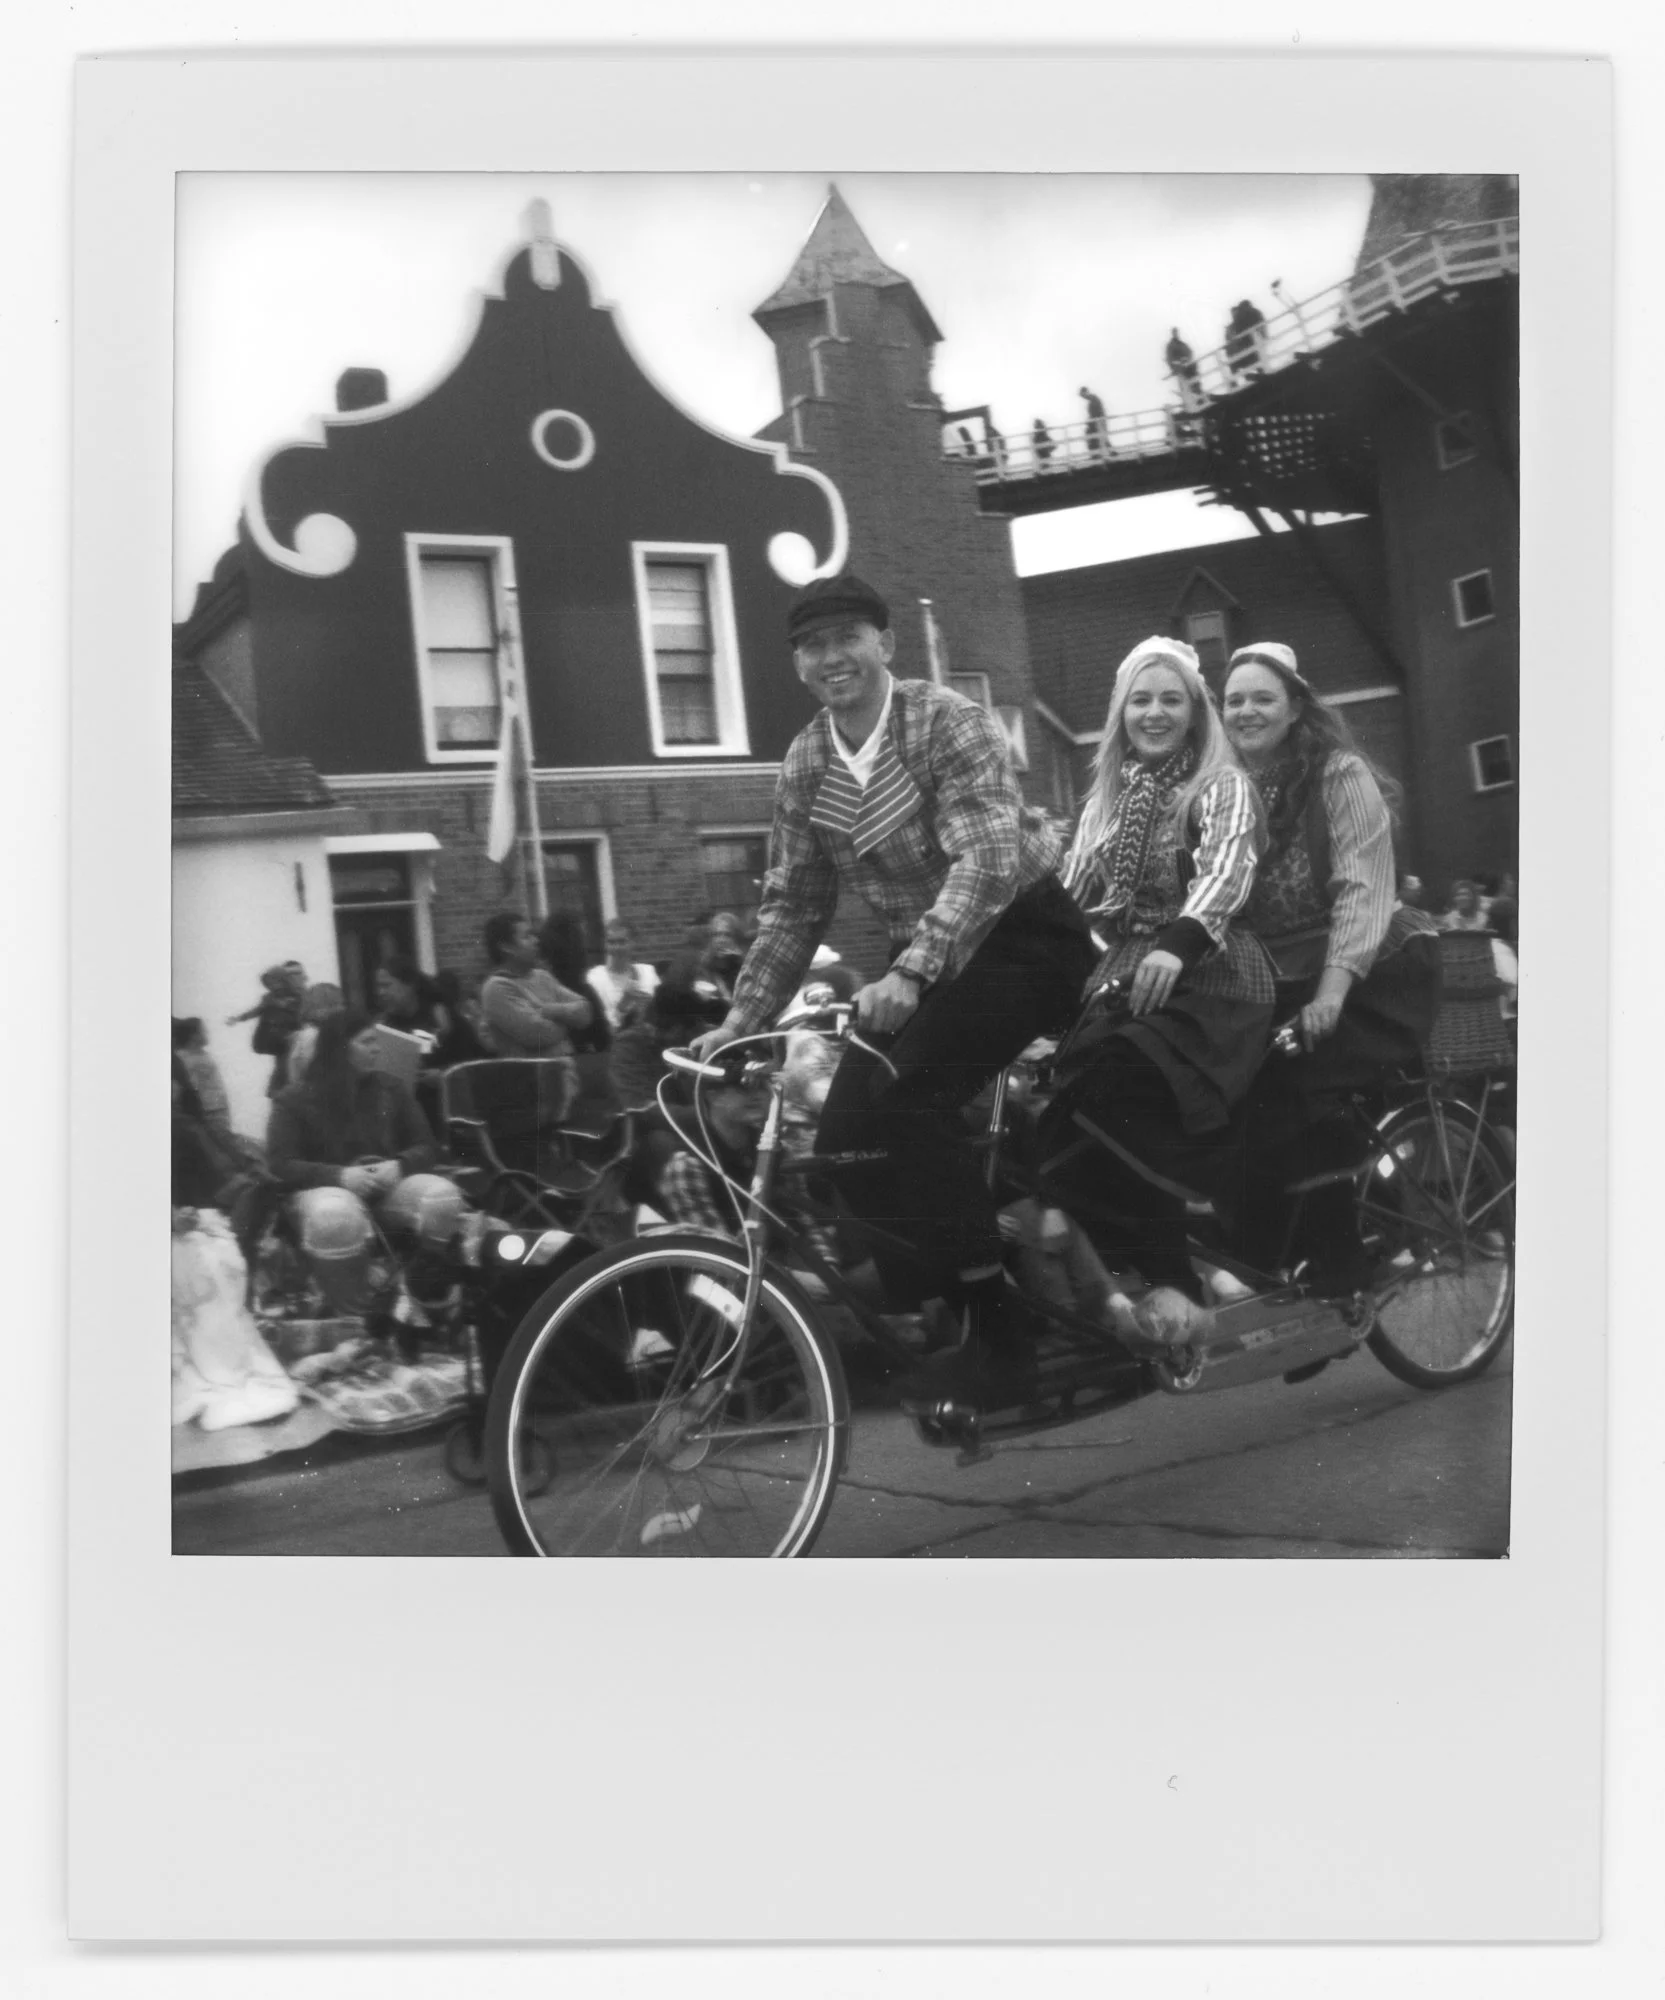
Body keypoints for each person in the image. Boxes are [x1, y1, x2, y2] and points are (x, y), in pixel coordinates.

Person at [691, 570, 1096, 1417]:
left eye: (848, 637)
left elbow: (985, 859)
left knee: (908, 1107)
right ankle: (980, 1268)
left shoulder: (946, 720)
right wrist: (738, 1020)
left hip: (1020, 937)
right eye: (811, 645)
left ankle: (1001, 1340)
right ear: (796, 663)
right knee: (844, 1139)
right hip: (928, 959)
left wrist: (912, 971)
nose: (831, 657)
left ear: (885, 645)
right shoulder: (807, 760)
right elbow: (794, 904)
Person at [1033, 637, 1273, 1310]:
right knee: (1063, 1094)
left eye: (1171, 700)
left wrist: (1176, 944)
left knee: (1121, 1078)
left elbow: (1225, 875)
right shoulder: (1108, 800)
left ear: (1196, 713)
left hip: (1210, 970)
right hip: (1125, 967)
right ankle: (1160, 1268)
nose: (1154, 713)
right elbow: (1068, 893)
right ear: (1121, 714)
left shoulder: (1221, 785)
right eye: (1140, 700)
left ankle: (1209, 1232)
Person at [1220, 640, 1441, 1295]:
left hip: (1375, 968)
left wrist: (1332, 991)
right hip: (1284, 975)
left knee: (1299, 1083)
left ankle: (1343, 1270)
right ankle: (1291, 1261)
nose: (1246, 711)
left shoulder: (1337, 774)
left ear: (1294, 708)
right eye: (1233, 700)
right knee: (1235, 1088)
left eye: (1263, 698)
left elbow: (1361, 888)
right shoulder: (1226, 786)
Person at [265, 1009, 460, 1316]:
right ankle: (356, 1320)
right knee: (336, 1213)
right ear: (341, 1047)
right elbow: (279, 1164)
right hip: (324, 1192)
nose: (378, 1048)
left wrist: (400, 1164)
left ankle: (427, 1301)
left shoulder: (391, 1088)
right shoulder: (292, 1099)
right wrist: (340, 1176)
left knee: (442, 1198)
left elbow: (428, 1147)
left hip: (384, 1185)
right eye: (367, 1041)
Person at [477, 911, 589, 1127]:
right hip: (532, 1094)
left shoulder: (542, 977)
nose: (536, 940)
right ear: (506, 947)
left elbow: (586, 1012)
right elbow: (537, 1034)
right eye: (527, 936)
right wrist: (568, 1021)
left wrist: (549, 1010)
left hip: (565, 1082)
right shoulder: (497, 988)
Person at [227, 962, 306, 1096]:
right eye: (271, 983)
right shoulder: (268, 999)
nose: (275, 986)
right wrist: (239, 1018)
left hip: (293, 1037)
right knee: (282, 1066)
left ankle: (284, 1090)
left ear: (284, 980)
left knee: (290, 1066)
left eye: (277, 981)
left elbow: (302, 1015)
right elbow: (256, 1011)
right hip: (277, 1039)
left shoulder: (298, 996)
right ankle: (278, 1090)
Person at [588, 918, 660, 1032]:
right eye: (611, 942)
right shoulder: (595, 977)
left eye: (622, 942)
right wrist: (624, 1003)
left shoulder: (648, 972)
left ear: (633, 942)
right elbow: (601, 1025)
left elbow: (661, 1011)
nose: (616, 947)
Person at [172, 1017, 235, 1141]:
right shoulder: (183, 1058)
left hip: (218, 1111)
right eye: (203, 1031)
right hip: (206, 1114)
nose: (207, 1034)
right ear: (193, 1036)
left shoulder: (204, 1055)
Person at [1224, 298, 1267, 383]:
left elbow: (1261, 326)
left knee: (1254, 360)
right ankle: (1237, 382)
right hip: (1240, 352)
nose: (1235, 315)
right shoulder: (1231, 327)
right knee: (1235, 365)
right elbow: (1230, 340)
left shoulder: (1239, 322)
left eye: (1235, 313)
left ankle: (1259, 374)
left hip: (1247, 348)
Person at [1165, 327, 1202, 407]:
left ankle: (1200, 398)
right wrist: (1179, 363)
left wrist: (1187, 360)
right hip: (1182, 370)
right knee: (1189, 386)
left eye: (1177, 332)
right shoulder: (1171, 346)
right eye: (1174, 332)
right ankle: (1196, 401)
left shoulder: (1182, 344)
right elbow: (1170, 359)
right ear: (1172, 334)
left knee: (1196, 383)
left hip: (1189, 367)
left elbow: (1189, 352)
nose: (1176, 334)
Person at [1079, 385, 1108, 455]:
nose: (1083, 397)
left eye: (1082, 395)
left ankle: (1097, 454)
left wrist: (1090, 420)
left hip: (1099, 422)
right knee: (1100, 438)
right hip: (1098, 422)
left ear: (1085, 392)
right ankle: (1107, 452)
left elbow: (1096, 412)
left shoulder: (1093, 399)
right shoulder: (1093, 399)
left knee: (1097, 438)